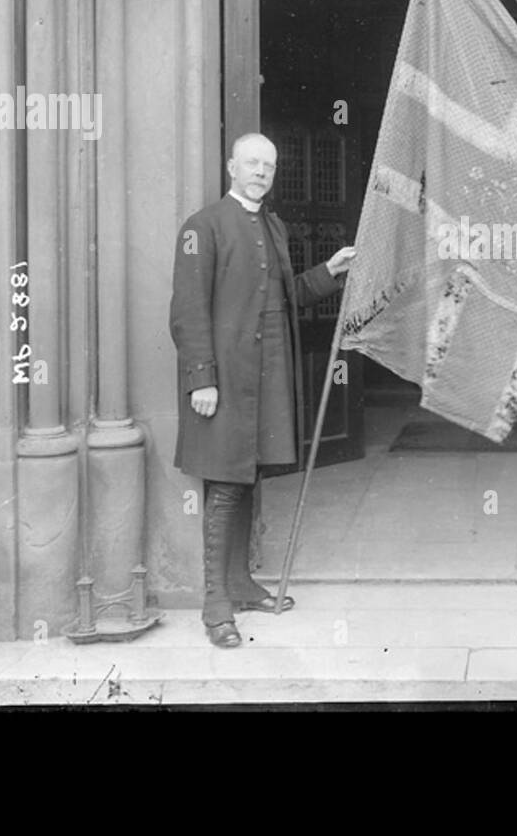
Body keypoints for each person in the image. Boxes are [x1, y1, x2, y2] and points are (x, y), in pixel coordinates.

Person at [169, 133, 355, 648]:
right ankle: (215, 607)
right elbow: (187, 311)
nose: (261, 171)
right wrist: (201, 378)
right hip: (223, 380)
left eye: (269, 165)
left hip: (266, 378)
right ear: (232, 167)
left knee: (249, 478)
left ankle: (241, 584)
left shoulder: (273, 225)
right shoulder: (202, 227)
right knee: (225, 484)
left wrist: (328, 273)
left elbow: (285, 296)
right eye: (252, 162)